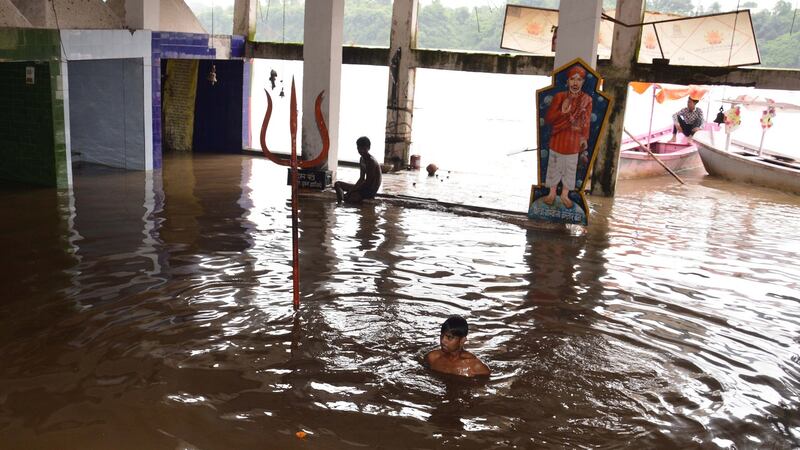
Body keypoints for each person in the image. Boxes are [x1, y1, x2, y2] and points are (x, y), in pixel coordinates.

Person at [542, 65, 592, 209]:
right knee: (553, 167)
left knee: (570, 168)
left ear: (583, 82)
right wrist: (563, 112)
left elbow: (587, 121)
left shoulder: (587, 99)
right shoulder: (560, 96)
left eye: (579, 79)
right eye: (572, 79)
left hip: (574, 141)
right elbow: (549, 119)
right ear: (568, 81)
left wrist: (584, 138)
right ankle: (551, 193)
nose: (575, 83)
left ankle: (565, 194)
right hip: (558, 139)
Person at [425, 315, 491, 377]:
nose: (442, 341)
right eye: (442, 336)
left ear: (462, 340)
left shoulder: (476, 367)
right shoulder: (432, 358)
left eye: (449, 337)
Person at [334, 136, 382, 204]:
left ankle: (343, 201)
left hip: (370, 190)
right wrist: (352, 190)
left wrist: (351, 191)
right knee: (337, 184)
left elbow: (368, 182)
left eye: (363, 148)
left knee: (350, 198)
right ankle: (340, 202)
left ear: (368, 148)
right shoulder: (362, 159)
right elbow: (361, 178)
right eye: (359, 148)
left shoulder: (372, 162)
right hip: (364, 186)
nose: (361, 151)